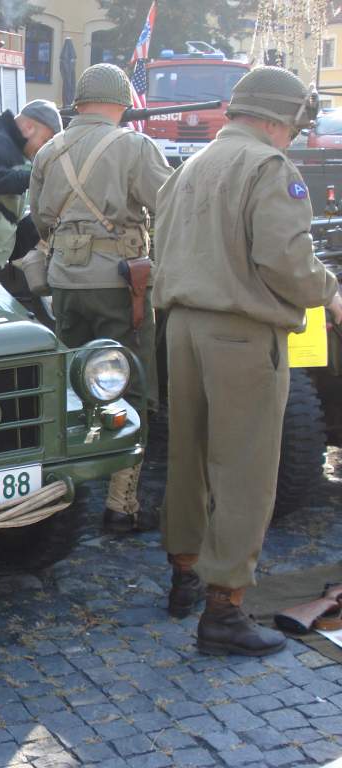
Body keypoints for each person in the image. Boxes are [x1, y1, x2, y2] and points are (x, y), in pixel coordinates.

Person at [153, 66, 342, 656]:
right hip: (241, 333)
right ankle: (225, 609)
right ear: (278, 119)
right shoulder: (269, 168)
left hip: (181, 327)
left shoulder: (188, 167)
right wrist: (330, 291)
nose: (293, 136)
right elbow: (285, 261)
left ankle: (183, 573)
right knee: (244, 471)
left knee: (188, 456)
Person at [29, 63, 172, 534]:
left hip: (65, 286)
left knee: (72, 387)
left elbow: (39, 218)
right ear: (121, 103)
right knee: (128, 386)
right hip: (120, 287)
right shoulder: (134, 146)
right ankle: (120, 505)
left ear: (79, 102)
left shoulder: (50, 149)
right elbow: (168, 206)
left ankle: (66, 498)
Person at [0, 99, 63, 274]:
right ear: (28, 128)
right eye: (47, 141)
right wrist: (37, 177)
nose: (47, 150)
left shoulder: (9, 145)